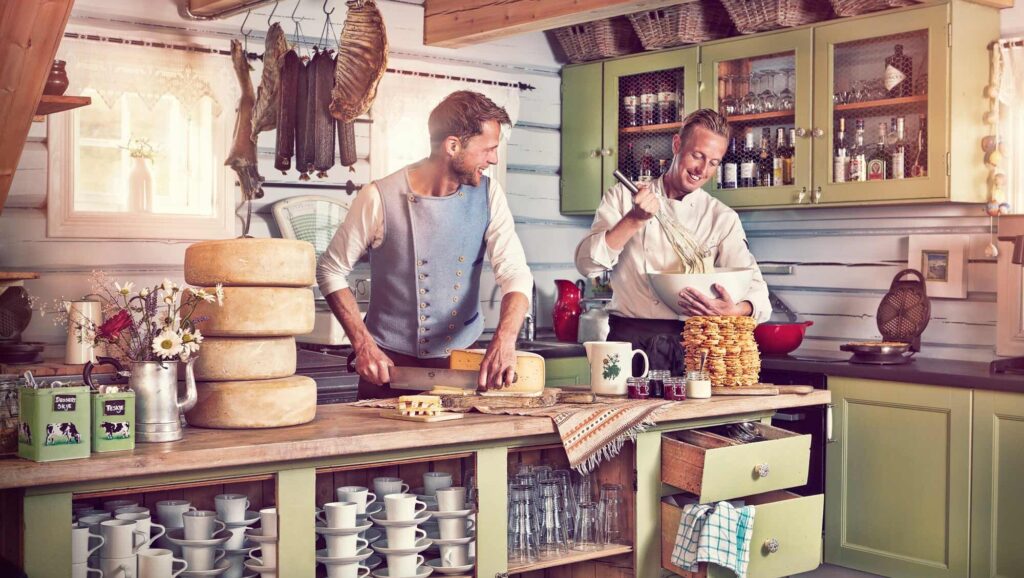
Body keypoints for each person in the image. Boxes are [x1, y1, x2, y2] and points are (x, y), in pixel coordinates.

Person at [317, 91, 533, 398]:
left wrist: (505, 339)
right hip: (387, 369)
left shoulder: (490, 195)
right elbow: (330, 270)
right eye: (488, 149)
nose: (494, 159)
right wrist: (363, 345)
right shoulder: (378, 196)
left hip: (462, 367)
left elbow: (515, 272)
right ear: (453, 145)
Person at [574, 109, 771, 374]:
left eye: (714, 162)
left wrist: (734, 310)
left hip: (693, 347)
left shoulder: (721, 218)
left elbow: (758, 294)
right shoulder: (624, 197)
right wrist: (634, 219)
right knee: (624, 417)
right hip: (627, 343)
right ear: (677, 145)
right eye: (697, 156)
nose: (702, 170)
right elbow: (588, 264)